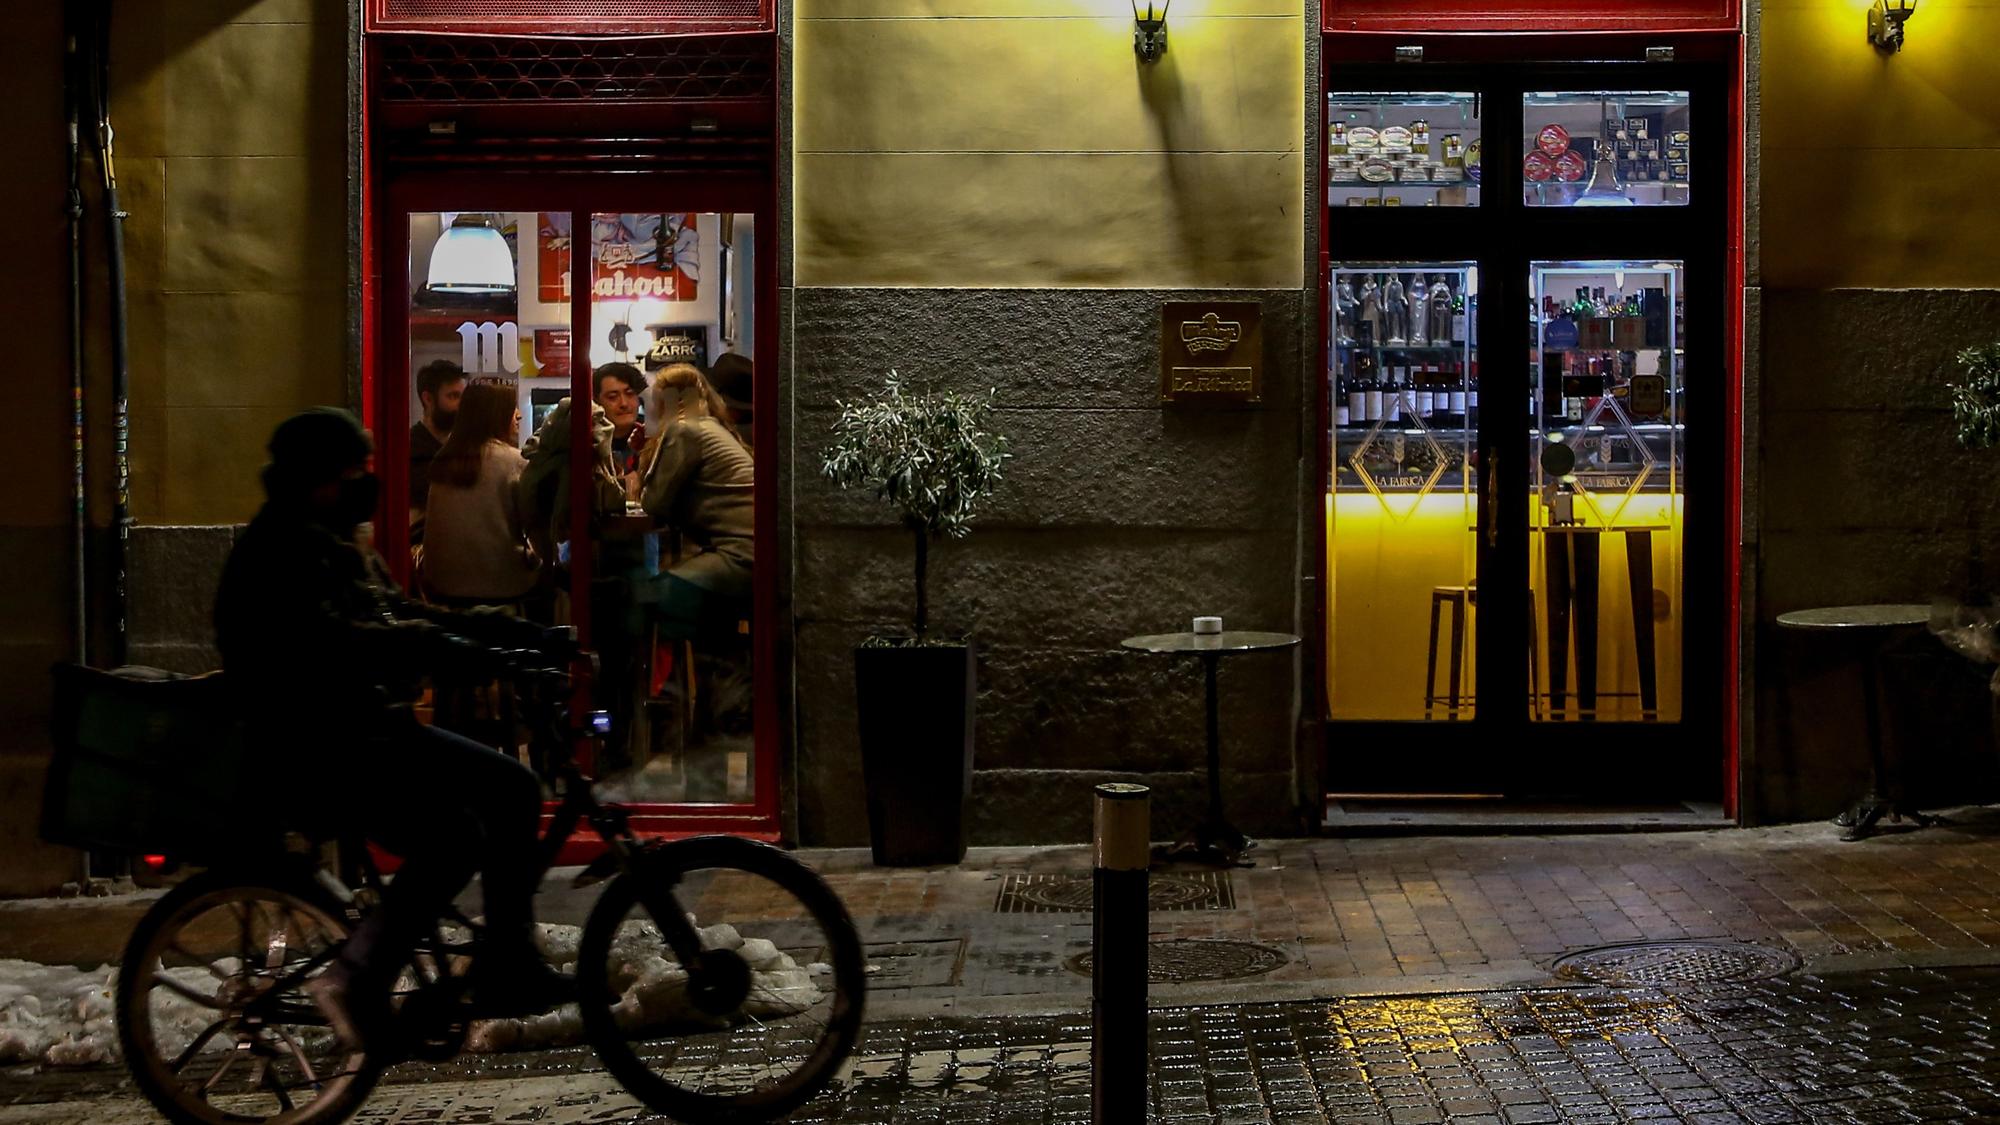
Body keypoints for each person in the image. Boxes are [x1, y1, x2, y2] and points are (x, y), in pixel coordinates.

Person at [213, 408, 567, 1047]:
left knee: (507, 791)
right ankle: (362, 973)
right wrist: (456, 650)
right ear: (312, 476)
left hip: (359, 730)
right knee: (467, 826)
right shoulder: (286, 547)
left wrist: (515, 634)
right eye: (352, 471)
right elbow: (349, 639)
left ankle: (503, 961)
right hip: (319, 746)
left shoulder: (331, 536)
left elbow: (399, 610)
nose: (364, 482)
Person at [635, 363, 754, 638]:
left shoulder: (684, 430)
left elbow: (653, 503)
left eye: (655, 401)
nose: (651, 410)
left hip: (737, 560)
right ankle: (699, 672)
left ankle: (671, 677)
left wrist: (646, 452)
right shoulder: (711, 427)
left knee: (641, 596)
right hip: (754, 555)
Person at [421, 378, 541, 609]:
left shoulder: (444, 458)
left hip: (442, 585)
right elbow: (534, 523)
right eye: (511, 408)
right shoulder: (513, 461)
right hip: (500, 585)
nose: (518, 415)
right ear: (495, 414)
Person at [409, 359, 466, 540]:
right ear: (428, 399)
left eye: (463, 397)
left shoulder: (463, 447)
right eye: (453, 396)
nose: (461, 406)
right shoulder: (411, 449)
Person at [593, 362, 647, 503]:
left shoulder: (654, 435)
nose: (623, 403)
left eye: (630, 394)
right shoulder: (588, 441)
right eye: (612, 397)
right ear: (596, 401)